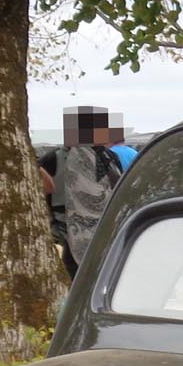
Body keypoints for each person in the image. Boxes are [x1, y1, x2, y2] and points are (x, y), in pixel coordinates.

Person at [57, 106, 125, 278]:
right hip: (83, 230)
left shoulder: (108, 156)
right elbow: (87, 191)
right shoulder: (77, 156)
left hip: (107, 226)